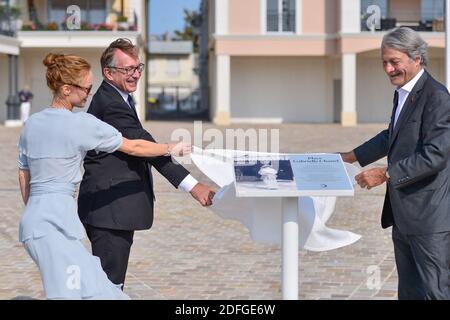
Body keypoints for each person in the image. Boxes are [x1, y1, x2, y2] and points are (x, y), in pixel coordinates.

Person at [18, 53, 191, 299]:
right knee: (73, 294)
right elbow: (134, 146)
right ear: (66, 89)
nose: (90, 93)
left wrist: (34, 212)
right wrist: (169, 148)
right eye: (86, 89)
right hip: (56, 228)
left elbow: (24, 175)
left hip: (36, 226)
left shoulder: (32, 124)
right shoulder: (82, 124)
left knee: (100, 290)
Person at [78, 38, 216, 288]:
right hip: (109, 209)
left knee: (109, 282)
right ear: (108, 73)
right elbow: (145, 146)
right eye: (127, 69)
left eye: (138, 67)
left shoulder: (119, 97)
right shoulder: (111, 105)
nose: (135, 75)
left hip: (109, 208)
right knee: (109, 285)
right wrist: (194, 187)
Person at [341, 27, 450, 300]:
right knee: (409, 292)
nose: (389, 69)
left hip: (428, 218)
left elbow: (436, 154)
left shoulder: (437, 97)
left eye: (394, 62)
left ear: (417, 59)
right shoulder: (403, 92)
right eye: (384, 62)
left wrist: (385, 174)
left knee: (437, 292)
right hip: (403, 215)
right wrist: (350, 157)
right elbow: (392, 135)